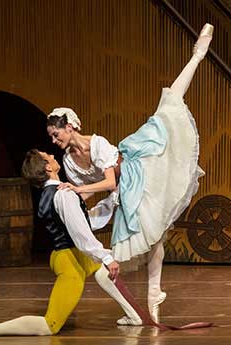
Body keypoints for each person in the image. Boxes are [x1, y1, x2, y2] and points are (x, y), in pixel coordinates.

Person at [46, 24, 213, 324]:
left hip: (139, 170)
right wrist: (84, 203)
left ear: (69, 127)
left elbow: (108, 180)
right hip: (122, 193)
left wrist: (82, 192)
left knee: (168, 107)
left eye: (56, 134)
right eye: (52, 137)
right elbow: (100, 189)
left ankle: (197, 55)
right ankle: (151, 300)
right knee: (153, 238)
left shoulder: (96, 144)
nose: (54, 140)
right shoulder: (69, 162)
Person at [0, 150, 142, 337]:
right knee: (50, 325)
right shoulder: (63, 194)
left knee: (102, 270)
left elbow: (84, 223)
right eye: (48, 156)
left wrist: (111, 199)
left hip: (68, 254)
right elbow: (82, 234)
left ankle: (133, 316)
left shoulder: (50, 193)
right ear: (47, 167)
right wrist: (106, 256)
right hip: (70, 261)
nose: (53, 156)